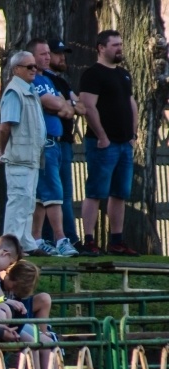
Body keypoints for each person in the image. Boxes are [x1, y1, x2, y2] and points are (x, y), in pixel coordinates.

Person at [77, 30, 139, 257]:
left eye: (120, 44)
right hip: (103, 144)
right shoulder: (92, 74)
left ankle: (116, 241)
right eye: (114, 45)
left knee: (120, 193)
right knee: (95, 191)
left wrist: (133, 134)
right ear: (101, 48)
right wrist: (102, 136)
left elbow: (131, 103)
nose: (119, 48)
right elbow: (88, 107)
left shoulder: (124, 74)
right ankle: (89, 240)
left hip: (124, 143)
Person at [27, 38, 79, 258]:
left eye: (49, 53)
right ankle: (61, 239)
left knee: (42, 196)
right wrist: (62, 105)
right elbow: (58, 104)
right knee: (53, 193)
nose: (47, 57)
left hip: (56, 143)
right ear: (31, 58)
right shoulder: (34, 82)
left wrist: (63, 105)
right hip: (44, 142)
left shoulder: (47, 79)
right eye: (42, 54)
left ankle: (38, 238)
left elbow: (69, 109)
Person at [0, 50, 46, 257]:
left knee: (27, 202)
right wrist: (2, 150)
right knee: (18, 202)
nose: (34, 69)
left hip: (30, 158)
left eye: (35, 66)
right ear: (16, 69)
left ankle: (25, 243)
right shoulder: (15, 92)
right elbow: (5, 126)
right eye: (29, 66)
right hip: (19, 158)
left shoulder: (29, 90)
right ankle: (9, 248)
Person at [42, 38, 87, 250]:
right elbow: (66, 109)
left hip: (65, 142)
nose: (62, 58)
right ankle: (58, 238)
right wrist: (68, 104)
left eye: (63, 54)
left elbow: (80, 108)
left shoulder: (63, 82)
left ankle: (69, 237)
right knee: (52, 193)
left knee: (65, 194)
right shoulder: (44, 81)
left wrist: (68, 104)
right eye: (58, 53)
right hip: (50, 143)